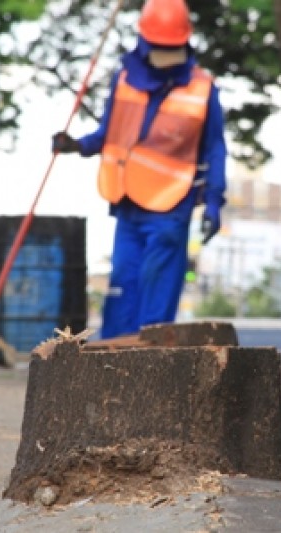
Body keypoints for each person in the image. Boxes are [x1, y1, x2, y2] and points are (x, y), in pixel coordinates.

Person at [52, 0, 227, 340]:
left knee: (156, 296)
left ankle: (151, 367)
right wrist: (76, 145)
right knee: (122, 288)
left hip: (170, 206)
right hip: (128, 200)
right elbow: (109, 134)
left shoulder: (202, 88)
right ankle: (111, 367)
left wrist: (216, 200)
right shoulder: (126, 79)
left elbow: (215, 149)